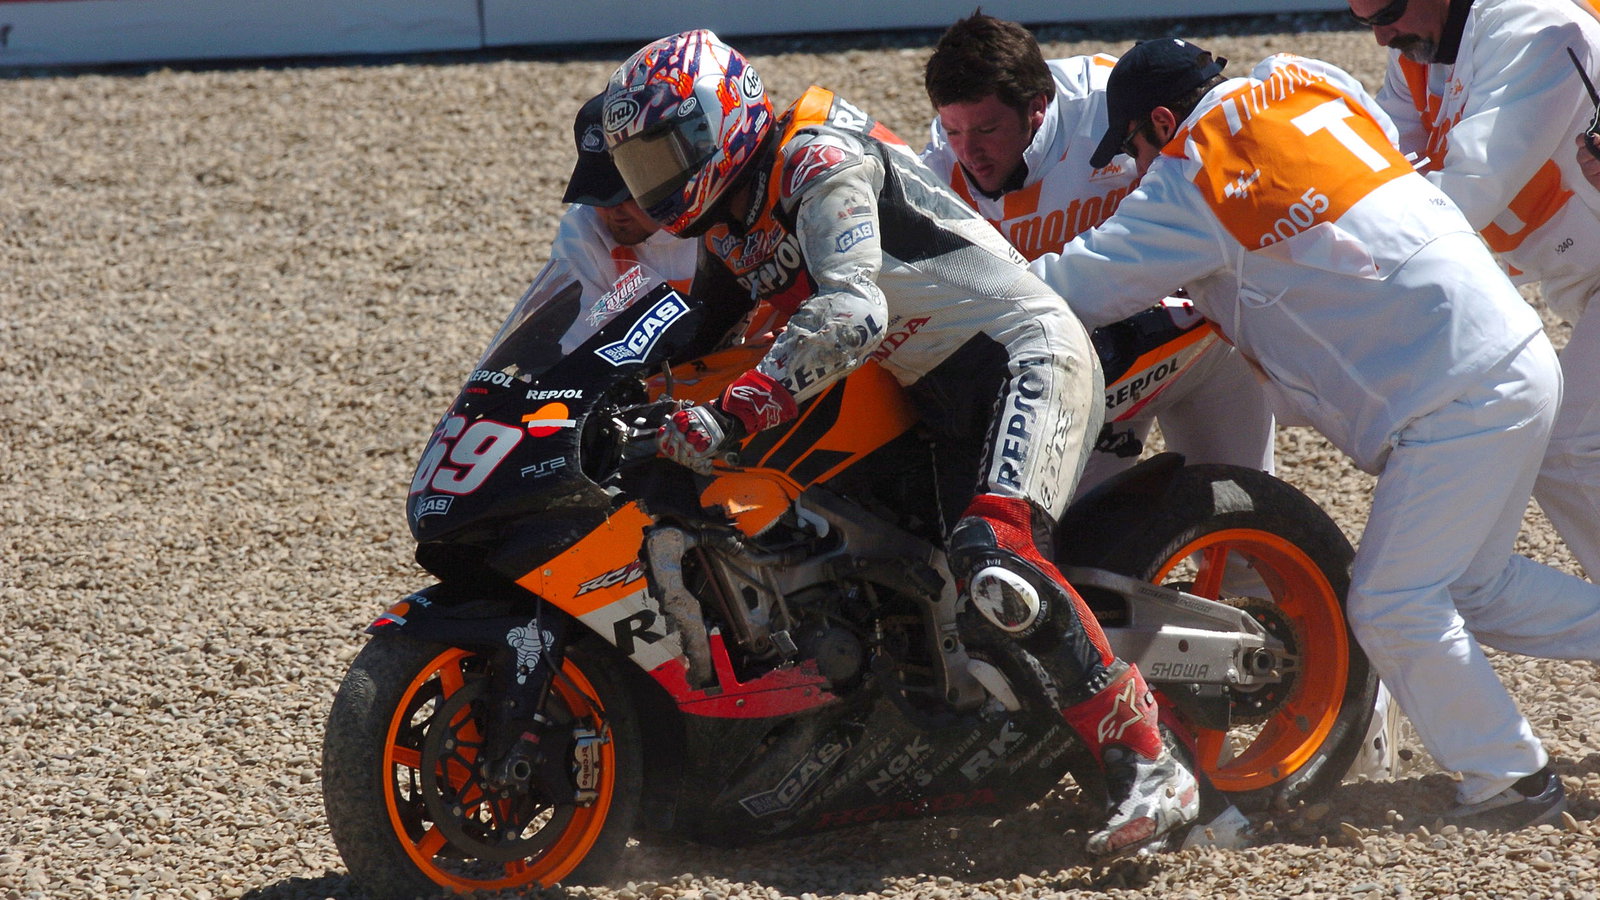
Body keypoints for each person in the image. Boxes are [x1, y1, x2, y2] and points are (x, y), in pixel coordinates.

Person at [601, 28, 1199, 855]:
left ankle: (1152, 764)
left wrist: (735, 411)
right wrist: (592, 391)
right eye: (639, 166)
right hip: (931, 391)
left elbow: (854, 310)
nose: (657, 182)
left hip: (1022, 355)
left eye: (669, 153)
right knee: (907, 567)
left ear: (722, 120)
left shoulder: (815, 160)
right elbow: (692, 329)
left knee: (996, 561)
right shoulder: (733, 217)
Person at [1033, 36, 1600, 830]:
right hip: (1508, 345)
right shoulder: (1306, 80)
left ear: (1162, 121)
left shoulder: (1191, 178)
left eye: (1131, 148)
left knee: (1391, 603)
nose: (1131, 170)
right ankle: (1509, 772)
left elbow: (1070, 287)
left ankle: (1512, 781)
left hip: (1450, 396)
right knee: (1474, 588)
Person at [919, 12, 1275, 493]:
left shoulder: (1117, 99)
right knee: (1073, 545)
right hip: (1075, 361)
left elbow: (1232, 192)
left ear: (1038, 107)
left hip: (1197, 338)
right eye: (953, 130)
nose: (968, 152)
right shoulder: (937, 164)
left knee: (1249, 511)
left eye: (986, 130)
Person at [1350, 0, 1600, 581]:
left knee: (1568, 447)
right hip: (1586, 287)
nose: (1382, 34)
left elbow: (1464, 194)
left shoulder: (1536, 28)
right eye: (1365, 19)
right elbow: (1372, 171)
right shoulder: (1422, 53)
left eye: (1388, 10)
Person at [552, 90, 697, 297]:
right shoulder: (585, 227)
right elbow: (571, 324)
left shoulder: (723, 210)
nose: (612, 210)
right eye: (598, 193)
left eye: (626, 195)